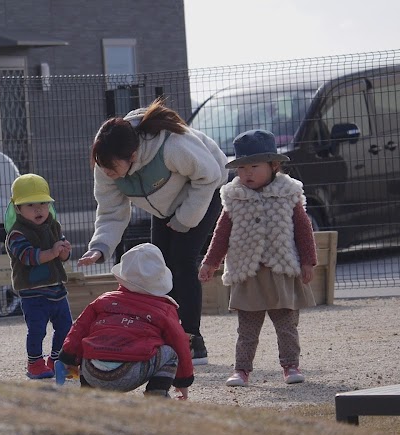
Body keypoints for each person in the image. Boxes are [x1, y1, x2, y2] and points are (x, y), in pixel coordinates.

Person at [77, 97, 228, 365]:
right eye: (103, 167)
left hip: (203, 192)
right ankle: (168, 334)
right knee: (160, 267)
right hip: (164, 206)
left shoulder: (171, 145)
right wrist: (99, 247)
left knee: (181, 261)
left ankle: (193, 341)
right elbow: (111, 211)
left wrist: (186, 218)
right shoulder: (106, 167)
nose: (107, 173)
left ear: (133, 157)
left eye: (112, 168)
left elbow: (209, 174)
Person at [199, 129, 316, 386]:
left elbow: (303, 229)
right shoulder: (234, 198)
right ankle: (241, 370)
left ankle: (291, 366)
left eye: (254, 166)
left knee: (286, 325)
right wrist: (210, 262)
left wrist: (308, 261)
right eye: (241, 168)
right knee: (247, 329)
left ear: (273, 166)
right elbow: (222, 234)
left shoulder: (289, 195)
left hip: (280, 271)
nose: (247, 173)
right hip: (248, 272)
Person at [58, 243, 193, 398]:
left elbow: (79, 329)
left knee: (89, 342)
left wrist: (67, 358)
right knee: (170, 353)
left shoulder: (103, 301)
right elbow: (179, 342)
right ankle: (157, 394)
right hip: (129, 374)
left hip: (92, 373)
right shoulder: (164, 309)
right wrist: (183, 381)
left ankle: (88, 393)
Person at [4, 174, 73, 379]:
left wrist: (64, 251)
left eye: (43, 203)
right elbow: (27, 257)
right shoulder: (17, 233)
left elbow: (62, 256)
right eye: (30, 205)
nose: (39, 209)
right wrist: (51, 252)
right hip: (33, 293)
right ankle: (35, 363)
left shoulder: (53, 225)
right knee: (37, 330)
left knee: (65, 327)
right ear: (17, 208)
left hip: (57, 288)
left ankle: (56, 358)